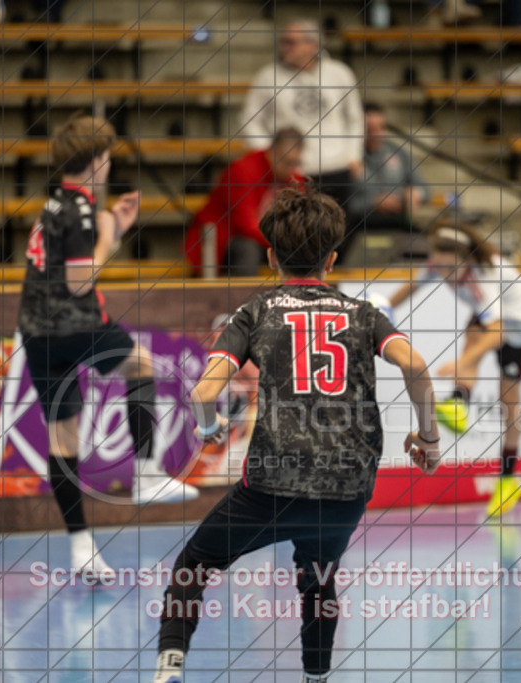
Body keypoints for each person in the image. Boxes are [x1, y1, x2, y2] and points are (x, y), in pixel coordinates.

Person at [152, 188, 441, 683]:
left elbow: (204, 391)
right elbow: (414, 363)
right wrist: (429, 438)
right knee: (318, 578)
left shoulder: (256, 312)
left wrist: (209, 427)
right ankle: (316, 677)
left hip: (271, 485)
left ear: (270, 257)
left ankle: (169, 669)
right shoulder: (364, 314)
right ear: (331, 259)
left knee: (190, 568)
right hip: (347, 487)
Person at [18, 114, 198, 578]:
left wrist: (110, 228)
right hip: (76, 324)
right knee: (141, 366)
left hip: (37, 334)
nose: (109, 166)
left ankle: (81, 547)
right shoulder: (80, 211)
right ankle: (148, 474)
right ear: (96, 161)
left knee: (63, 440)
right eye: (107, 158)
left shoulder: (55, 204)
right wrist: (107, 236)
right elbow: (81, 282)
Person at [386, 220, 521, 519]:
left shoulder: (483, 278)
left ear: (464, 259)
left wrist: (464, 362)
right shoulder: (439, 263)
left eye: (448, 268)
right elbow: (411, 287)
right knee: (472, 335)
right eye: (438, 266)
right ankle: (459, 401)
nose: (442, 273)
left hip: (519, 329)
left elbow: (498, 332)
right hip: (490, 320)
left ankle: (508, 481)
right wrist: (379, 310)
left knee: (509, 403)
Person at [238, 20, 364, 211]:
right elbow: (249, 120)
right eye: (283, 42)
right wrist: (269, 155)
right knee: (295, 232)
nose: (285, 47)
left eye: (292, 42)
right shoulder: (268, 76)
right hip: (292, 172)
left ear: (313, 44)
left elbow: (354, 117)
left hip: (335, 166)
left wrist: (353, 154)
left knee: (338, 231)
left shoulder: (339, 73)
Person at [185, 128, 306, 277]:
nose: (290, 169)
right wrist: (283, 243)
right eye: (287, 162)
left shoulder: (293, 178)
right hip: (225, 240)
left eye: (295, 163)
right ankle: (243, 298)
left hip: (265, 240)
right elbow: (245, 224)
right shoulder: (243, 171)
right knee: (248, 249)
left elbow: (301, 219)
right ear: (272, 151)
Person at [344, 103, 430, 256]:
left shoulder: (399, 153)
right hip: (359, 227)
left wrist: (415, 194)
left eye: (381, 128)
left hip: (398, 224)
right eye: (369, 129)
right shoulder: (345, 158)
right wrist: (373, 203)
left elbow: (425, 190)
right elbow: (340, 205)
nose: (376, 134)